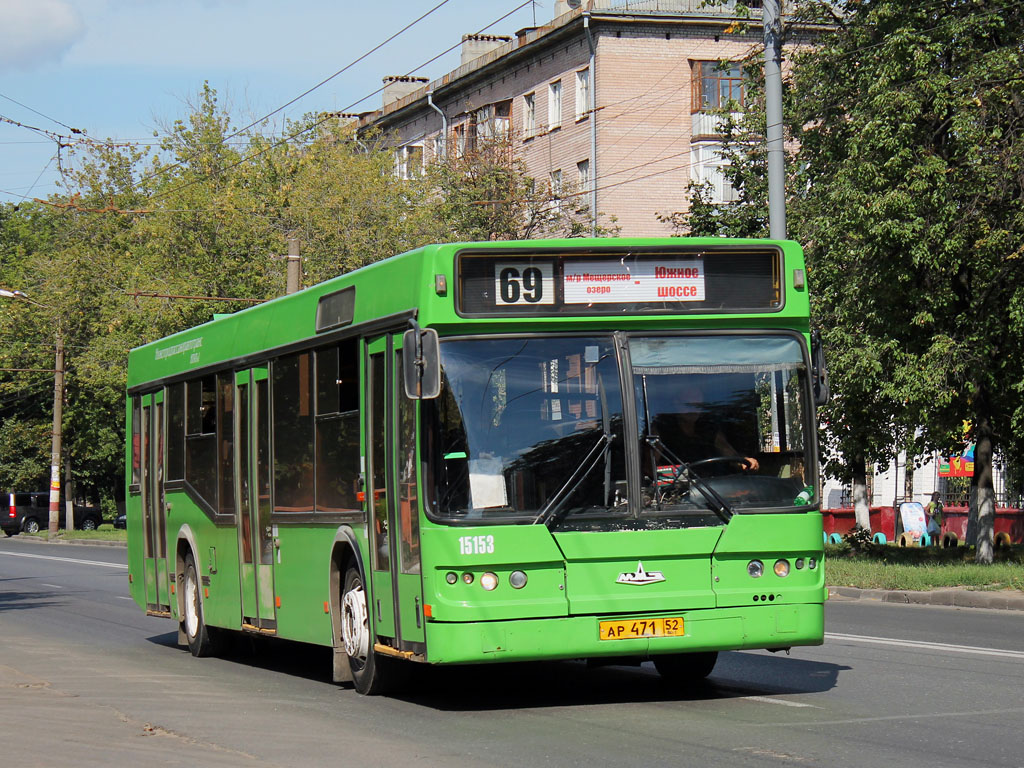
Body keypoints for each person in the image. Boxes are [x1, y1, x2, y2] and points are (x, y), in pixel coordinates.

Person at [653, 381, 759, 471]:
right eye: (688, 405)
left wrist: (743, 461)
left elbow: (729, 453)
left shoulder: (708, 429)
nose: (693, 411)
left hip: (709, 488)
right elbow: (650, 467)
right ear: (676, 404)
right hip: (675, 491)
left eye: (698, 406)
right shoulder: (661, 429)